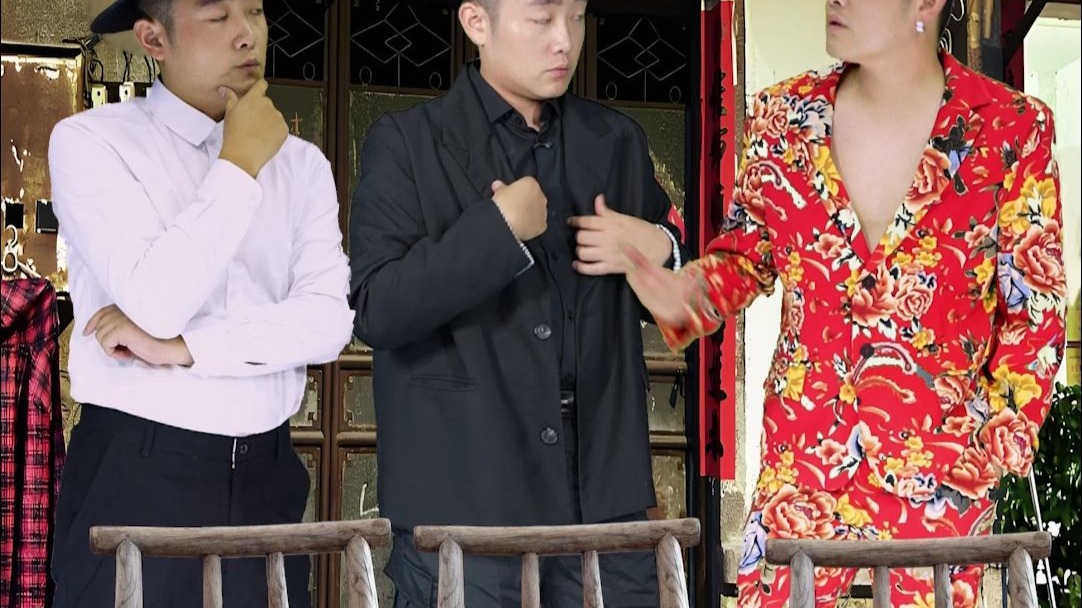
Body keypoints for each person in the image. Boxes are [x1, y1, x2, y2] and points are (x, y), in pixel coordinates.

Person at [624, 0, 1065, 605]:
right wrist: (676, 293)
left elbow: (1035, 310)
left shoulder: (1012, 127)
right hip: (801, 464)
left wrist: (990, 447)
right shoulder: (782, 116)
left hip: (941, 475)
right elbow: (745, 259)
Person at [348, 0, 690, 604]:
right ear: (477, 22)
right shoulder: (406, 143)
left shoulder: (615, 141)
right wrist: (497, 231)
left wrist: (661, 248)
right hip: (466, 495)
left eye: (577, 18)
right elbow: (377, 308)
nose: (565, 41)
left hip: (603, 499)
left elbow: (691, 310)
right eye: (541, 19)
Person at [47, 0, 353, 606]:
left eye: (256, 11)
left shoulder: (302, 165)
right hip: (139, 469)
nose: (247, 35)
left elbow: (328, 322)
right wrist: (239, 162)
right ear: (153, 38)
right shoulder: (93, 142)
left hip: (267, 472)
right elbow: (156, 301)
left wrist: (186, 348)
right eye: (217, 17)